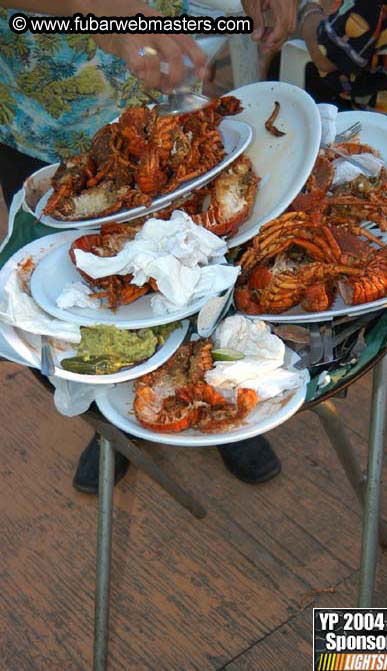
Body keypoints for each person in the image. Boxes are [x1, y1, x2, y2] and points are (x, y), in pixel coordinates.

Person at [0, 0, 281, 489]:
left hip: (169, 94)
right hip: (45, 118)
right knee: (69, 303)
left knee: (200, 268)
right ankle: (112, 421)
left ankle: (213, 388)